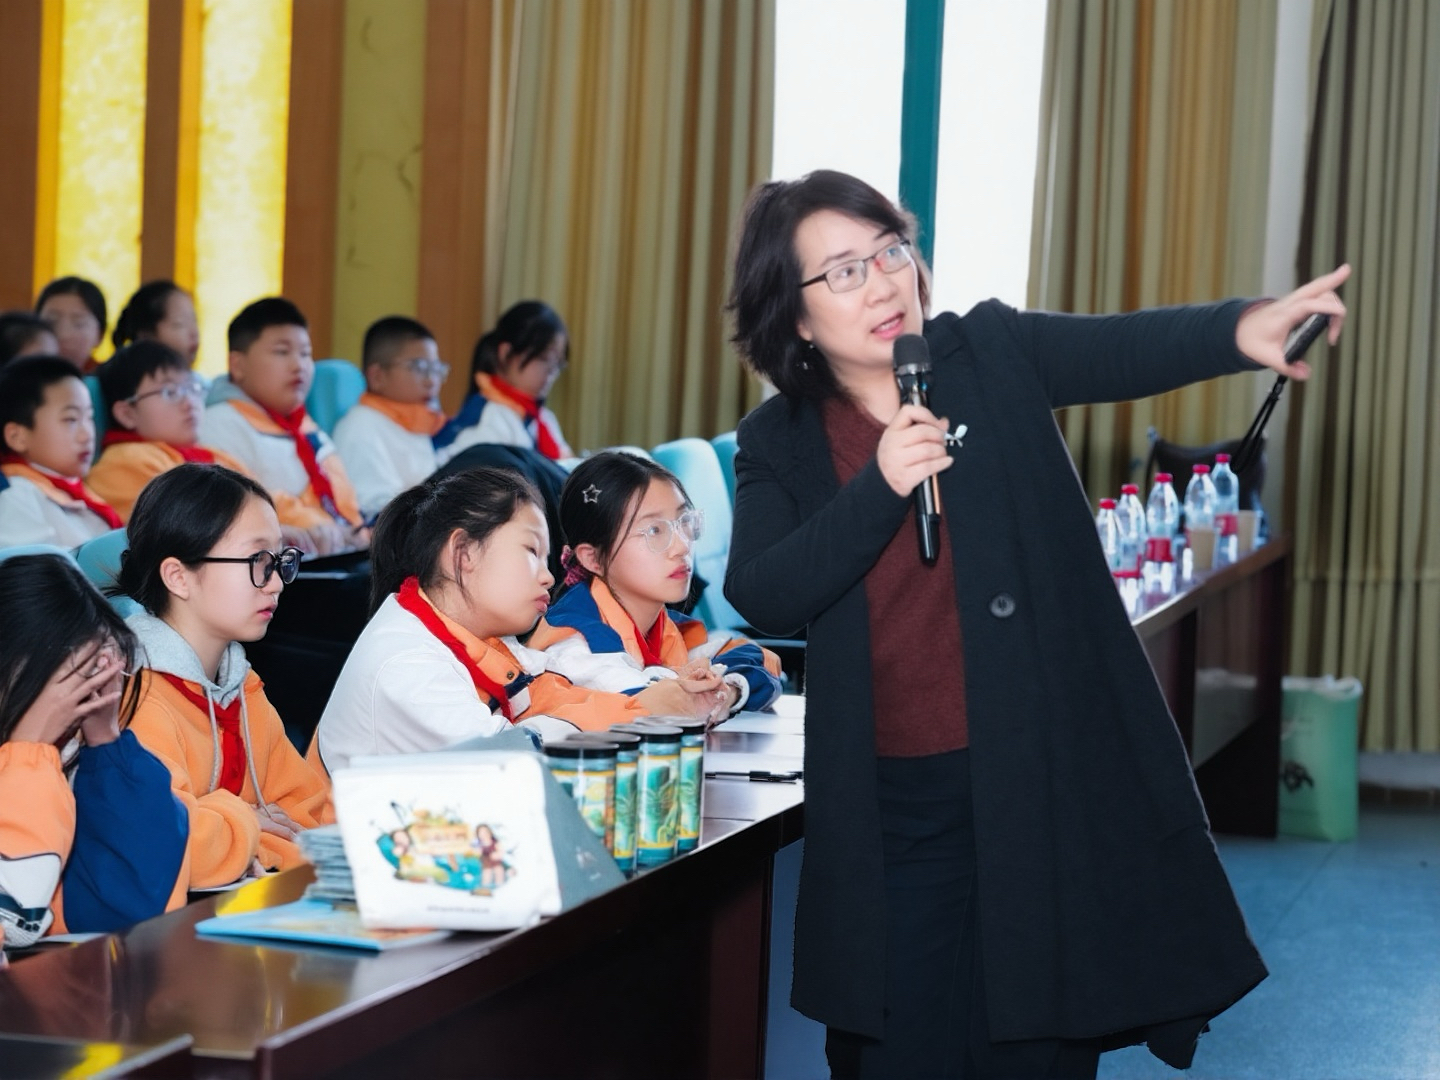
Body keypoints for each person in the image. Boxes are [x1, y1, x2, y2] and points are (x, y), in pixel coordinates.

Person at [722, 169, 1350, 1079]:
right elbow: (765, 591)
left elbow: (1123, 349)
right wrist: (881, 485)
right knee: (895, 1045)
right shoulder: (777, 439)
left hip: (1032, 782)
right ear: (797, 317)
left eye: (891, 252)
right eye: (846, 271)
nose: (884, 283)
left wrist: (1240, 328)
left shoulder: (988, 355)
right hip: (894, 810)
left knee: (1038, 1036)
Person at [310, 468, 715, 774]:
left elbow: (554, 693)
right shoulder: (407, 664)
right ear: (463, 554)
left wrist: (651, 700)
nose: (549, 577)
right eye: (531, 551)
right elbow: (510, 760)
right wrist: (638, 712)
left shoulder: (483, 640)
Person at [116, 464, 335, 888]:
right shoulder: (134, 693)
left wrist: (240, 840)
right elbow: (170, 846)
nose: (276, 583)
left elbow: (307, 820)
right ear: (178, 577)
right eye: (258, 560)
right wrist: (249, 822)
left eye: (279, 561)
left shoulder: (241, 686)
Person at [0, 553, 188, 950]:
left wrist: (106, 743)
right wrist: (28, 752)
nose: (82, 700)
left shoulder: (58, 764)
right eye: (73, 683)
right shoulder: (30, 767)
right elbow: (14, 916)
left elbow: (125, 911)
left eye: (97, 679)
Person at [529, 451, 781, 717]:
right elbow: (648, 706)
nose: (682, 546)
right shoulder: (575, 649)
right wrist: (712, 688)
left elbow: (761, 659)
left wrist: (728, 690)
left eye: (684, 522)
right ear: (592, 558)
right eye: (654, 531)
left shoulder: (663, 626)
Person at [199, 297, 365, 555]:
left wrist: (358, 534)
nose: (299, 365)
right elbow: (237, 510)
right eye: (282, 352)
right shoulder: (217, 424)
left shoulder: (307, 428)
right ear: (238, 365)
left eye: (306, 354)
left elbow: (347, 505)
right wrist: (314, 526)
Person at [88, 341, 249, 522]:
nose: (190, 403)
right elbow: (193, 525)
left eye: (193, 388)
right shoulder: (124, 462)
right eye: (170, 392)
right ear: (127, 414)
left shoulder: (216, 455)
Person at [0, 356, 121, 549]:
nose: (87, 435)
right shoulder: (15, 497)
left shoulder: (74, 491)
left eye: (89, 417)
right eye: (71, 419)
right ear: (17, 437)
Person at [332, 316, 445, 520]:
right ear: (377, 377)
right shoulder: (361, 425)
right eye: (419, 367)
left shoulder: (415, 422)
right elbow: (377, 509)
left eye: (436, 369)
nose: (431, 381)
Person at [434, 301, 573, 465]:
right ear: (506, 352)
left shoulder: (543, 418)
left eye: (558, 363)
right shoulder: (486, 415)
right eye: (544, 358)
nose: (551, 371)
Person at [111, 280, 201, 369]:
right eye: (179, 324)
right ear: (146, 334)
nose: (194, 333)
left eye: (195, 321)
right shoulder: (125, 376)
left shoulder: (197, 378)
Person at [35, 277, 107, 374]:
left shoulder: (108, 380)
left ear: (100, 335)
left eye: (79, 324)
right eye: (51, 322)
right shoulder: (19, 377)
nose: (63, 335)